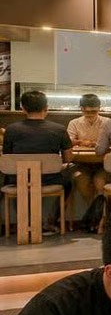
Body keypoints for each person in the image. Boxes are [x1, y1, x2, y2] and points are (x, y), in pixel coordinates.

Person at [2, 89, 73, 232]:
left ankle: (24, 222)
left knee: (12, 178)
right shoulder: (59, 129)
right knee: (69, 182)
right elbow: (68, 158)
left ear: (23, 108)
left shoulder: (11, 129)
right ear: (46, 107)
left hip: (18, 179)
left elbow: (7, 156)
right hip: (50, 180)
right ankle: (51, 220)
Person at [67, 93, 109, 210]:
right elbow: (69, 141)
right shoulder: (74, 123)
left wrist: (93, 143)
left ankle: (100, 213)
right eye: (86, 112)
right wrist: (81, 142)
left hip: (103, 164)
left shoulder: (107, 122)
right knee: (81, 181)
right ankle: (92, 212)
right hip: (81, 164)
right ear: (81, 109)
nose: (90, 114)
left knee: (100, 184)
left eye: (93, 111)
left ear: (99, 108)